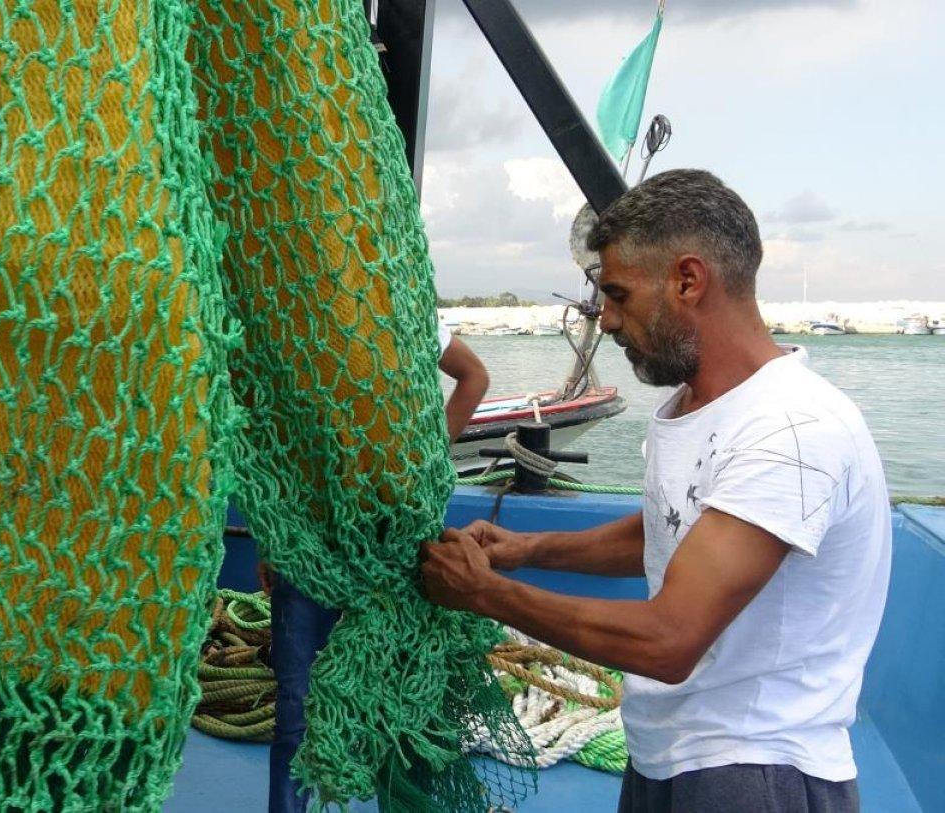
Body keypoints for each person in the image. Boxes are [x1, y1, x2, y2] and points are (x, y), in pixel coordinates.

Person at [420, 169, 890, 813]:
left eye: (618, 294)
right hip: (669, 752)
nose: (606, 320)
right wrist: (523, 549)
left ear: (688, 281)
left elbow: (668, 642)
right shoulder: (695, 406)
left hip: (756, 772)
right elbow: (666, 529)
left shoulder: (790, 430)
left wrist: (484, 593)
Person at [263, 323, 488, 813]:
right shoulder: (293, 315)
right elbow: (277, 435)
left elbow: (473, 376)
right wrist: (272, 539)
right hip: (308, 546)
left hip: (394, 543)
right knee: (296, 707)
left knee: (403, 695)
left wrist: (430, 454)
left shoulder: (402, 311)